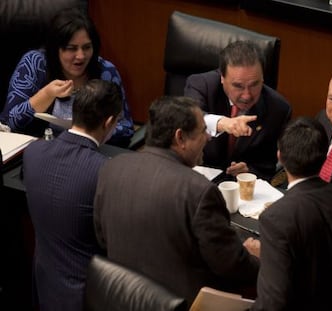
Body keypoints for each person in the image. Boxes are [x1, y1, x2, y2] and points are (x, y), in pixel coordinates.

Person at [93, 96, 260, 304]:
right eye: (202, 131)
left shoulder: (111, 168)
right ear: (180, 138)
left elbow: (102, 238)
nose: (208, 138)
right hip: (184, 304)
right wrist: (253, 257)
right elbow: (230, 265)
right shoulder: (199, 191)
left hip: (121, 300)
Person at [250, 117, 332, 311]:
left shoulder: (275, 218)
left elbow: (273, 302)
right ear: (325, 157)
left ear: (280, 157)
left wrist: (268, 255)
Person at [22, 79, 122, 311]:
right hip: (88, 298)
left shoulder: (33, 152)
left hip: (45, 290)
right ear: (109, 122)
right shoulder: (105, 171)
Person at [0, 7, 134, 148]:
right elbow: (9, 123)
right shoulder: (35, 63)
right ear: (55, 48)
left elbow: (126, 128)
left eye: (87, 47)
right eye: (71, 48)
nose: (81, 56)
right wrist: (45, 95)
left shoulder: (106, 71)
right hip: (40, 151)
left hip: (90, 152)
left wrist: (93, 131)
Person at [184, 40, 291, 181]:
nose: (247, 95)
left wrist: (249, 171)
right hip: (197, 177)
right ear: (222, 77)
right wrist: (223, 123)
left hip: (242, 188)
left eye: (254, 85)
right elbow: (188, 119)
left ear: (263, 77)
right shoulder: (202, 85)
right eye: (238, 86)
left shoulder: (278, 108)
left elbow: (267, 166)